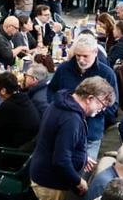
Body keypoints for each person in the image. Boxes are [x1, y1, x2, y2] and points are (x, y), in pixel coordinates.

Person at [30, 76, 114, 200]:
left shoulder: (62, 103)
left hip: (46, 173)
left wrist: (81, 157)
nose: (102, 109)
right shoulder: (71, 119)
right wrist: (78, 181)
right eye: (102, 104)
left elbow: (57, 141)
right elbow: (61, 161)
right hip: (50, 181)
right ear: (90, 98)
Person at [50, 34, 119, 162]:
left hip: (90, 136)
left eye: (85, 56)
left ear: (95, 52)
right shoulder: (64, 69)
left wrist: (93, 111)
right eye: (78, 56)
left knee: (83, 175)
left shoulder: (107, 74)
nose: (81, 60)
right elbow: (52, 90)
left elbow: (113, 106)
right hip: (63, 131)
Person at [0, 72, 39, 150]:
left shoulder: (8, 105)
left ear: (3, 90)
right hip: (27, 145)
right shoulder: (24, 98)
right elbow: (5, 120)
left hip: (12, 151)